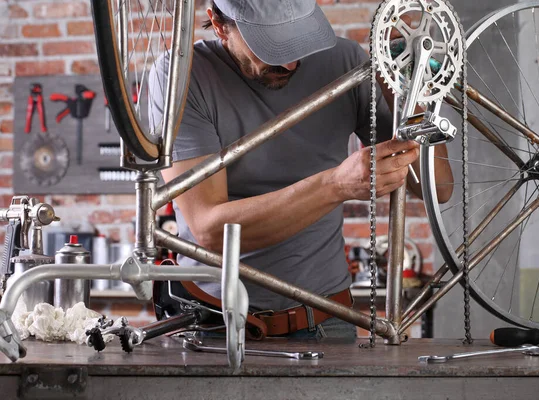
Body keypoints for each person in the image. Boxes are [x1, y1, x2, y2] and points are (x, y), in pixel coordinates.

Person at [152, 0, 453, 339]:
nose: (290, 61)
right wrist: (337, 185)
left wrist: (413, 93)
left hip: (326, 318)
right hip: (214, 323)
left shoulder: (344, 60)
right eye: (270, 44)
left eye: (298, 40)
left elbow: (437, 187)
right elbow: (210, 230)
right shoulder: (182, 76)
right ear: (220, 25)